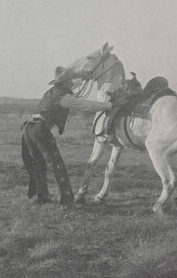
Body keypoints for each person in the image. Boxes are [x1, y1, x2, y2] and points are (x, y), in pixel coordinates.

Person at [21, 66, 127, 209]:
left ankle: (42, 197)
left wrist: (83, 78)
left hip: (29, 128)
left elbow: (75, 86)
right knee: (58, 165)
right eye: (70, 81)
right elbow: (88, 106)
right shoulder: (64, 98)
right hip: (40, 130)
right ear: (64, 83)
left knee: (38, 163)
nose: (72, 83)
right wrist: (111, 105)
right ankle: (67, 202)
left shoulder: (53, 92)